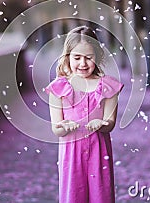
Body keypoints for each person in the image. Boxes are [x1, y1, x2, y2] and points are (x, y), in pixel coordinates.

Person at [45, 26, 123, 203]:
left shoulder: (108, 86)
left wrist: (102, 124)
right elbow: (56, 128)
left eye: (89, 57)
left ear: (98, 56)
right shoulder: (59, 88)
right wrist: (63, 126)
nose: (83, 63)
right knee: (73, 196)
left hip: (99, 151)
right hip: (71, 154)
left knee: (101, 195)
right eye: (77, 57)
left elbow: (110, 123)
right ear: (67, 57)